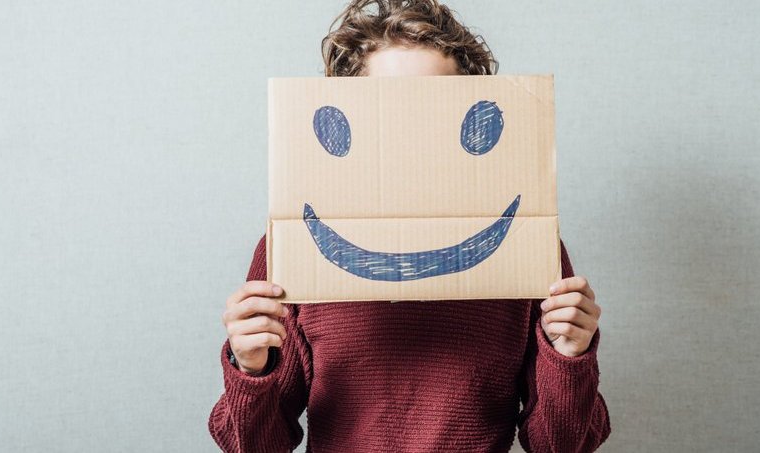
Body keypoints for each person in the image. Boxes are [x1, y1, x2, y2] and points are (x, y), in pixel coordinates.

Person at [209, 1, 611, 452]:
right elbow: (255, 446)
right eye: (389, 112)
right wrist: (251, 368)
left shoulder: (526, 244)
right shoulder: (293, 247)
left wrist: (569, 357)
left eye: (434, 108)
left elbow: (560, 446)